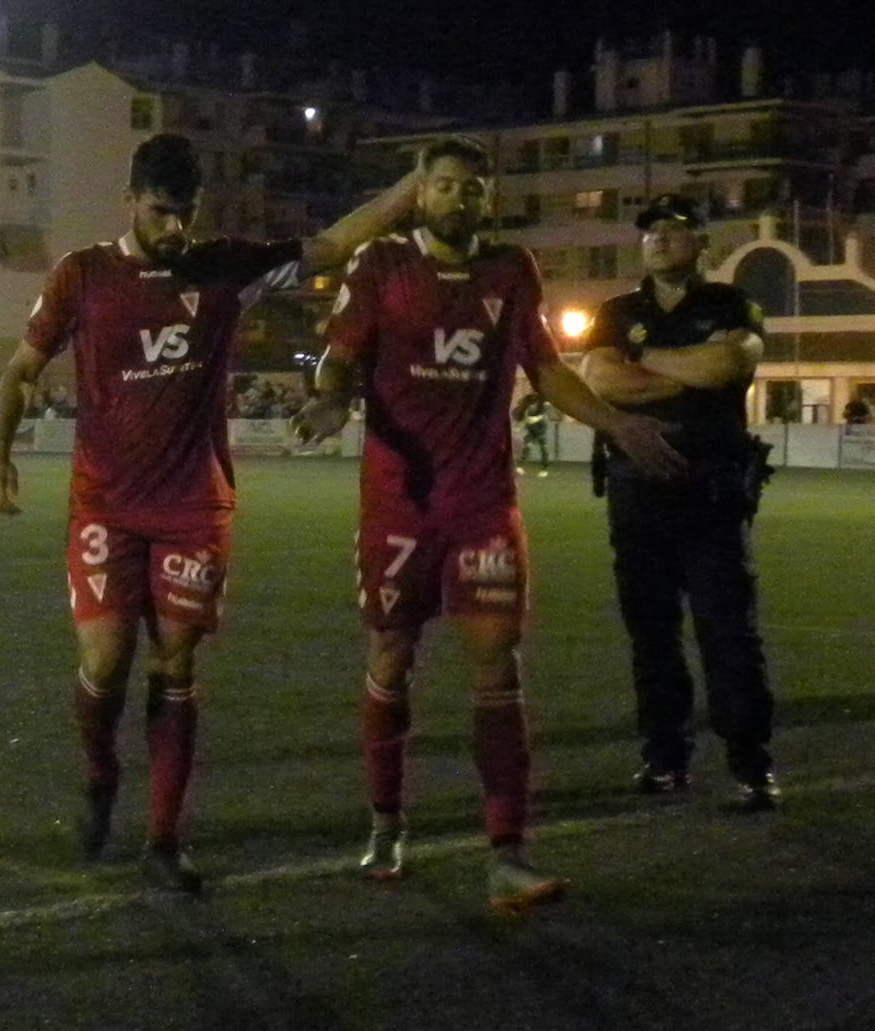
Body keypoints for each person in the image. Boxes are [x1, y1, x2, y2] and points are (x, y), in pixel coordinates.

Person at [0, 132, 421, 894]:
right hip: (106, 506)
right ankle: (99, 774)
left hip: (193, 506)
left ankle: (164, 839)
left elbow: (331, 243)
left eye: (184, 213)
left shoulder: (225, 266)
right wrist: (0, 458)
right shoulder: (83, 275)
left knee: (176, 664)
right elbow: (21, 369)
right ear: (130, 201)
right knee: (103, 661)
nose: (173, 228)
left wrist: (409, 188)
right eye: (160, 211)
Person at [291, 136, 685, 910]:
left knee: (497, 669)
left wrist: (615, 424)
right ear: (420, 193)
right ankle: (385, 819)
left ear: (487, 197)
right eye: (443, 186)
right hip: (400, 501)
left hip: (481, 502)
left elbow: (546, 369)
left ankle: (507, 851)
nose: (458, 199)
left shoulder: (511, 271)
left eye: (472, 188)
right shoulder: (381, 267)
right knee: (392, 659)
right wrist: (331, 396)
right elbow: (338, 355)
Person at [581, 192, 779, 810]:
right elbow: (599, 378)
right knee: (652, 634)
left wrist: (642, 364)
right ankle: (664, 757)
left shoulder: (731, 303)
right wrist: (683, 370)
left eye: (676, 229)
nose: (661, 238)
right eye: (651, 231)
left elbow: (729, 364)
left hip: (712, 491)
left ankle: (750, 764)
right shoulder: (616, 310)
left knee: (728, 631)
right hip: (637, 493)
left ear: (702, 245)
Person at [512, 390, 550, 476]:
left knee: (543, 447)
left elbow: (546, 404)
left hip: (540, 429)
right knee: (527, 446)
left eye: (534, 405)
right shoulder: (525, 408)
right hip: (531, 430)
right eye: (531, 405)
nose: (532, 407)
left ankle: (544, 469)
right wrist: (518, 426)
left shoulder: (541, 405)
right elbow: (519, 418)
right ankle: (520, 466)